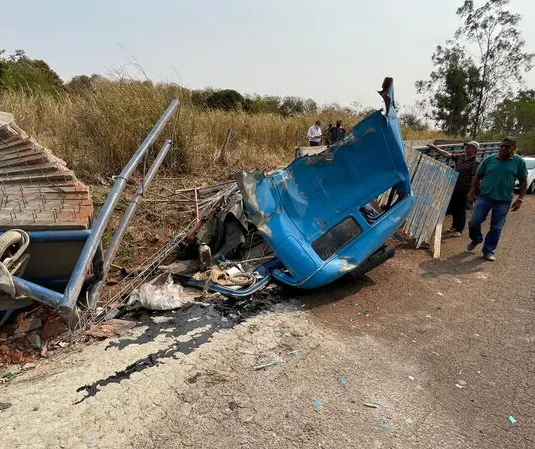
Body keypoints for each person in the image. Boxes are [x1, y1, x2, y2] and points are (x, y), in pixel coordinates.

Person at [466, 137, 528, 261]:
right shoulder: (489, 159)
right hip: (485, 197)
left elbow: (523, 181)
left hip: (503, 201)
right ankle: (477, 238)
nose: (503, 149)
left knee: (496, 227)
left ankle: (488, 251)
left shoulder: (519, 162)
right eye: (502, 146)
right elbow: (477, 176)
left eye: (507, 147)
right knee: (474, 222)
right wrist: (472, 192)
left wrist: (520, 199)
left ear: (513, 149)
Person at [427, 141, 480, 236]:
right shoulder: (460, 157)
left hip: (464, 188)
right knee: (453, 207)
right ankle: (454, 226)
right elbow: (446, 154)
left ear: (475, 150)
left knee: (460, 208)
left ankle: (459, 229)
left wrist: (471, 192)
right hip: (454, 185)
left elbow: (474, 177)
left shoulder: (475, 162)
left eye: (470, 147)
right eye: (467, 146)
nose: (467, 148)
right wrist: (434, 147)